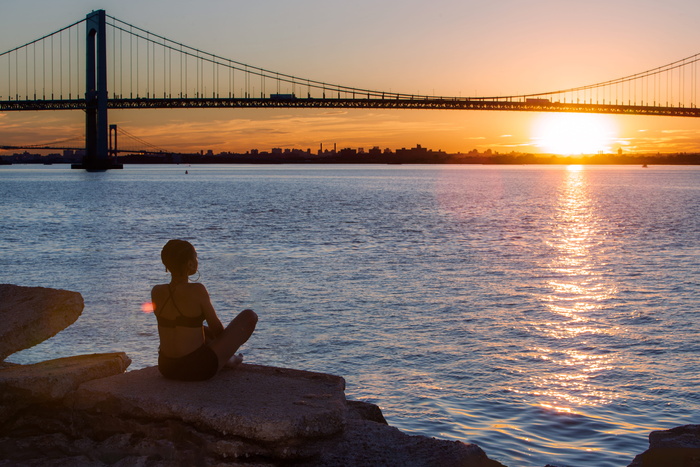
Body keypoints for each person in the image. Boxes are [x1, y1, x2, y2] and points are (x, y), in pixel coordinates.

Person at [151, 239, 258, 381]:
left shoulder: (156, 291)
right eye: (195, 257)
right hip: (197, 368)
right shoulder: (197, 290)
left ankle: (229, 360)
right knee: (250, 316)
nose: (197, 260)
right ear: (190, 263)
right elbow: (218, 330)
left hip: (166, 367)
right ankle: (230, 359)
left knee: (199, 329)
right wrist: (227, 344)